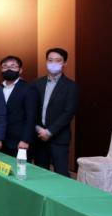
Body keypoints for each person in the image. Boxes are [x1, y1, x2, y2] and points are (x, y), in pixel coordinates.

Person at [32, 48, 78, 177]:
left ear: (65, 63)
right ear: (46, 62)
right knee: (39, 173)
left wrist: (50, 131)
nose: (53, 63)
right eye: (50, 60)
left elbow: (68, 113)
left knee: (61, 174)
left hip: (59, 137)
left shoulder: (71, 86)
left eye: (58, 60)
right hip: (39, 136)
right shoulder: (37, 83)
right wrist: (38, 129)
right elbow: (31, 109)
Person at [0, 55, 38, 157]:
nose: (9, 69)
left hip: (19, 142)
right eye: (5, 66)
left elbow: (31, 117)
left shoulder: (28, 89)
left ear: (20, 70)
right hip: (0, 140)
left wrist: (25, 140)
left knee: (19, 167)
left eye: (13, 66)